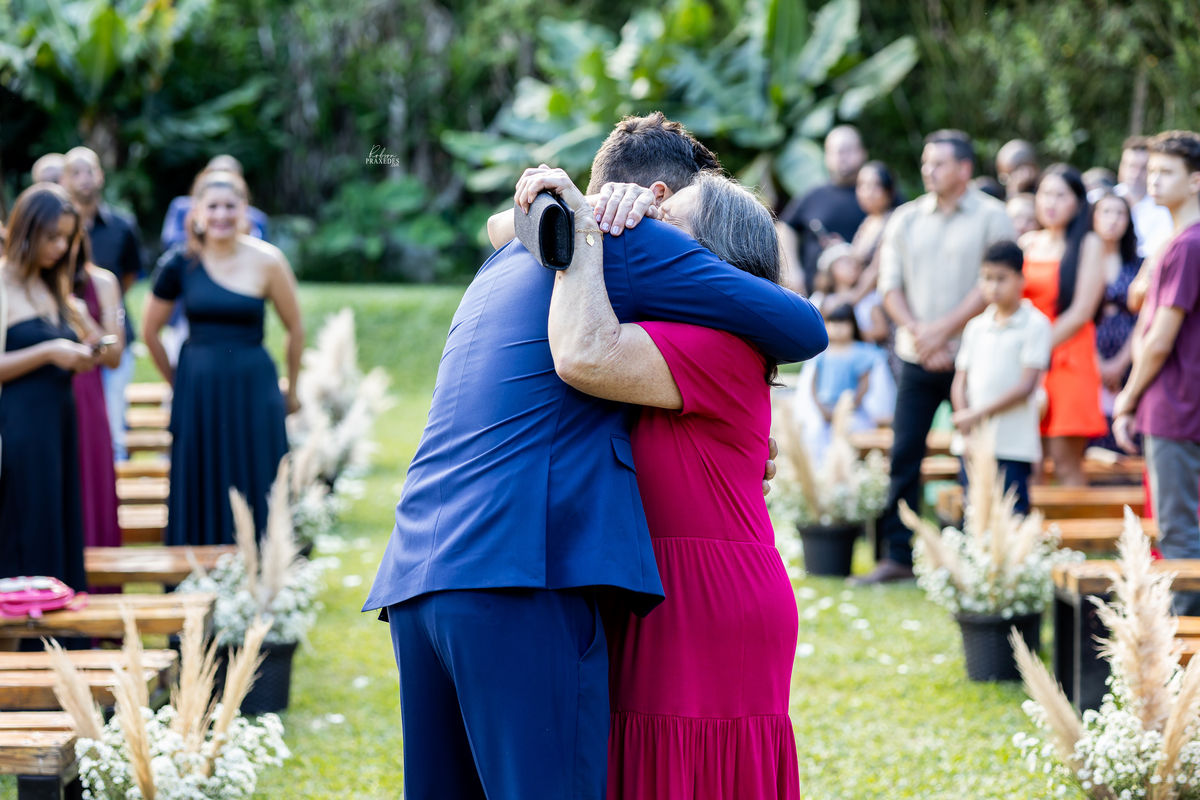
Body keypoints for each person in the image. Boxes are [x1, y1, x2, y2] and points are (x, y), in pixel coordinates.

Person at [363, 113, 827, 800]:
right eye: (661, 210)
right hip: (525, 577)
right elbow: (804, 326)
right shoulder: (620, 245)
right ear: (651, 196)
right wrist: (577, 212)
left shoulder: (515, 257)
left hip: (423, 569)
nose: (657, 221)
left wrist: (546, 204)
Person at [521, 167, 804, 799]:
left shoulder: (715, 343)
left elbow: (585, 354)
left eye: (670, 218)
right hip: (666, 586)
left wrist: (585, 231)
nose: (646, 223)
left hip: (702, 599)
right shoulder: (684, 341)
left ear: (713, 257)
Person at [860, 129, 1015, 586]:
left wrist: (941, 332)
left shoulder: (994, 217)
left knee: (979, 457)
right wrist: (920, 334)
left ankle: (979, 555)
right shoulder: (905, 219)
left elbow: (992, 286)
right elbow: (889, 286)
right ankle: (896, 555)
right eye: (926, 163)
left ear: (964, 169)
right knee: (904, 454)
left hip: (976, 359)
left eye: (940, 163)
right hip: (915, 355)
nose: (929, 170)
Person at [142, 169, 303, 546]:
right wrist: (177, 383)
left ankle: (263, 574)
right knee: (201, 477)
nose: (221, 215)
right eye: (212, 206)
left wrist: (292, 391)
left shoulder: (268, 261)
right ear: (196, 212)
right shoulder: (178, 264)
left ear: (244, 210)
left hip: (254, 386)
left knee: (259, 476)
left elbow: (295, 328)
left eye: (230, 206)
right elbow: (150, 332)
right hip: (197, 390)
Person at [1113, 130, 1200, 615]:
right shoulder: (1174, 241)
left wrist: (1125, 399)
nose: (1155, 179)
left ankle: (1186, 656)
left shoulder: (1188, 245)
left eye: (1167, 172)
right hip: (1181, 404)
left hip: (1176, 405)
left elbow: (1159, 338)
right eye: (1152, 171)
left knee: (1179, 533)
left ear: (1196, 181)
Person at [0, 183, 97, 591]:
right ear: (27, 229)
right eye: (52, 235)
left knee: (57, 520)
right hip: (21, 426)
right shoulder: (3, 283)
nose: (60, 247)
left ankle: (63, 639)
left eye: (67, 238)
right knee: (29, 524)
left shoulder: (50, 285)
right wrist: (50, 351)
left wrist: (82, 348)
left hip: (58, 424)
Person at [1020, 164, 1108, 484]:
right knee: (1030, 460)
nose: (1050, 202)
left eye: (1060, 195)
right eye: (1044, 193)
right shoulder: (1027, 243)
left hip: (1067, 355)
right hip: (1027, 358)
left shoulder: (1089, 243)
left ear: (1077, 203)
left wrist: (1035, 349)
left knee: (1064, 458)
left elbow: (1082, 311)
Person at [950, 240, 1052, 515]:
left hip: (1012, 444)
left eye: (1001, 279)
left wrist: (975, 415)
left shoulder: (1035, 324)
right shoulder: (976, 326)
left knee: (1011, 516)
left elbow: (1026, 386)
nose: (993, 286)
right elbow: (960, 381)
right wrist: (966, 426)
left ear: (1020, 279)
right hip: (973, 442)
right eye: (986, 278)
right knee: (974, 515)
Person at [61, 147, 144, 462]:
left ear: (101, 175)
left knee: (111, 431)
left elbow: (132, 275)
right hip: (65, 341)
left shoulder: (123, 226)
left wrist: (102, 304)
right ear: (65, 179)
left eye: (90, 171)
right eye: (76, 172)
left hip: (111, 334)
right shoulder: (53, 226)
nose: (84, 179)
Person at [159, 157, 270, 368]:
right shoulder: (183, 209)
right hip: (190, 307)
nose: (222, 213)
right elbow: (170, 242)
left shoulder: (257, 219)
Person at [71, 233, 124, 549]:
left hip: (87, 394)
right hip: (35, 397)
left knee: (92, 486)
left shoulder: (101, 282)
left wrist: (83, 319)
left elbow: (115, 356)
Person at [777, 125, 867, 294]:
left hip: (869, 296)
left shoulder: (880, 192)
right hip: (819, 298)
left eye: (848, 149)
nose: (842, 156)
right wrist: (792, 272)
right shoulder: (813, 195)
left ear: (863, 152)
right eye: (835, 151)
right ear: (826, 157)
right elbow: (784, 228)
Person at [1089, 190, 1141, 450]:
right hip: (1087, 359)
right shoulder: (1081, 265)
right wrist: (1097, 363)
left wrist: (1120, 363)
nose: (1113, 219)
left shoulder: (1139, 265)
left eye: (1120, 213)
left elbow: (1144, 319)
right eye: (1106, 212)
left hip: (1129, 360)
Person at [160, 154, 270, 249]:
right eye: (214, 174)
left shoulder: (257, 218)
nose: (221, 215)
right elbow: (169, 241)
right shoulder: (182, 206)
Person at [1116, 135, 1175, 259]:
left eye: (1143, 168)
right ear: (1121, 166)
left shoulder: (1163, 209)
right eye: (1130, 166)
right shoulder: (1102, 199)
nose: (1135, 174)